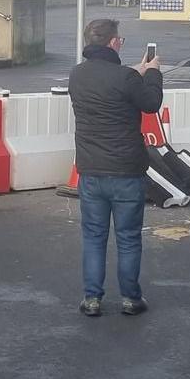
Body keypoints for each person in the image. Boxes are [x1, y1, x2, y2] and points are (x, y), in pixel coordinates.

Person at [67, 17, 163, 317]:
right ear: (112, 42)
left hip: (91, 170)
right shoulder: (126, 79)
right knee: (128, 237)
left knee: (94, 237)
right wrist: (154, 73)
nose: (121, 42)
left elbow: (110, 83)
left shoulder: (77, 75)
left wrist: (136, 71)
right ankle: (131, 299)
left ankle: (92, 299)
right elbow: (151, 103)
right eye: (119, 39)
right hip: (126, 171)